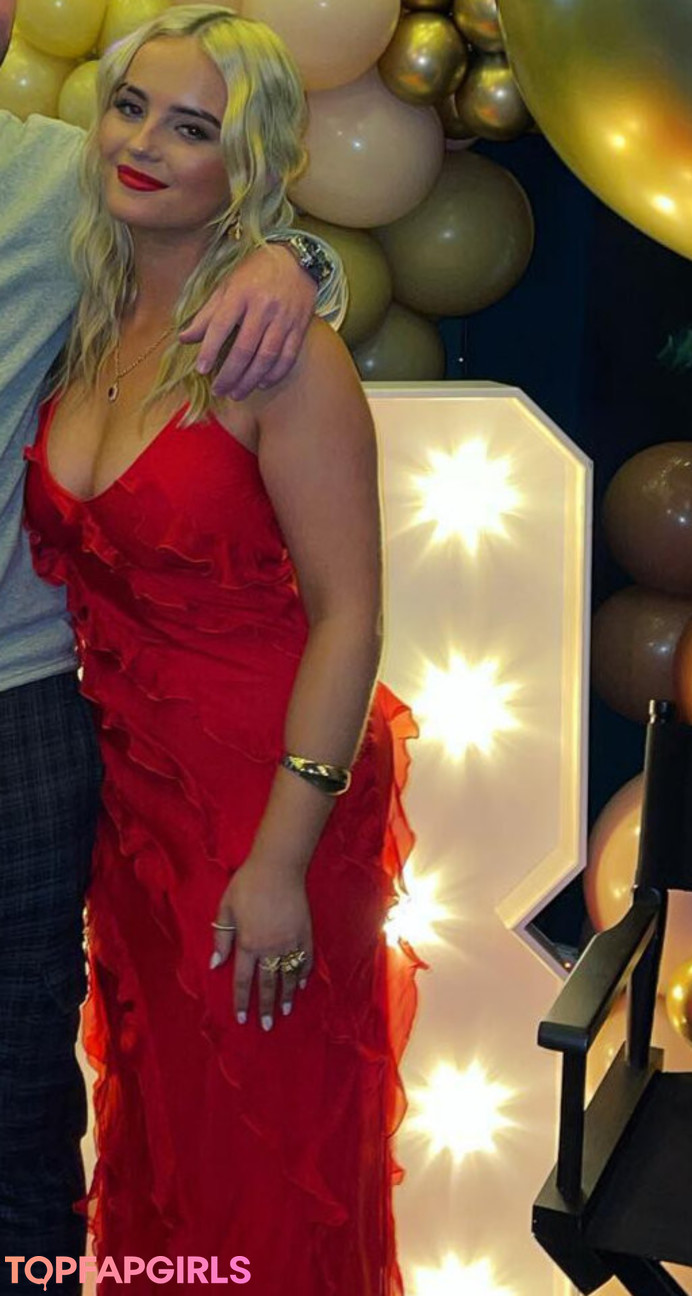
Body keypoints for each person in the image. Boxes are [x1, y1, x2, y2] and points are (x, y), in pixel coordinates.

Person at [22, 6, 418, 1291]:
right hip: (131, 799)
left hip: (265, 800)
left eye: (192, 128)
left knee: (264, 1150)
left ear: (248, 163)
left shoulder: (279, 352)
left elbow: (350, 616)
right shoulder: (91, 312)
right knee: (165, 1124)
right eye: (130, 107)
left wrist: (284, 857)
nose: (142, 144)